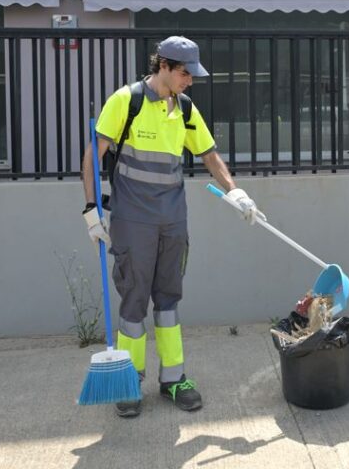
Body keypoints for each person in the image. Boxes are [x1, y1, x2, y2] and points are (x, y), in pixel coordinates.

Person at [81, 36, 263, 417]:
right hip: (133, 221)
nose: (189, 81)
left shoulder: (184, 108)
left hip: (173, 220)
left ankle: (174, 379)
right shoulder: (126, 101)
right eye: (184, 73)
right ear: (162, 66)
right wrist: (90, 209)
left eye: (192, 75)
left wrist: (237, 192)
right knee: (134, 299)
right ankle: (129, 381)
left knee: (168, 299)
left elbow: (209, 154)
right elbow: (91, 156)